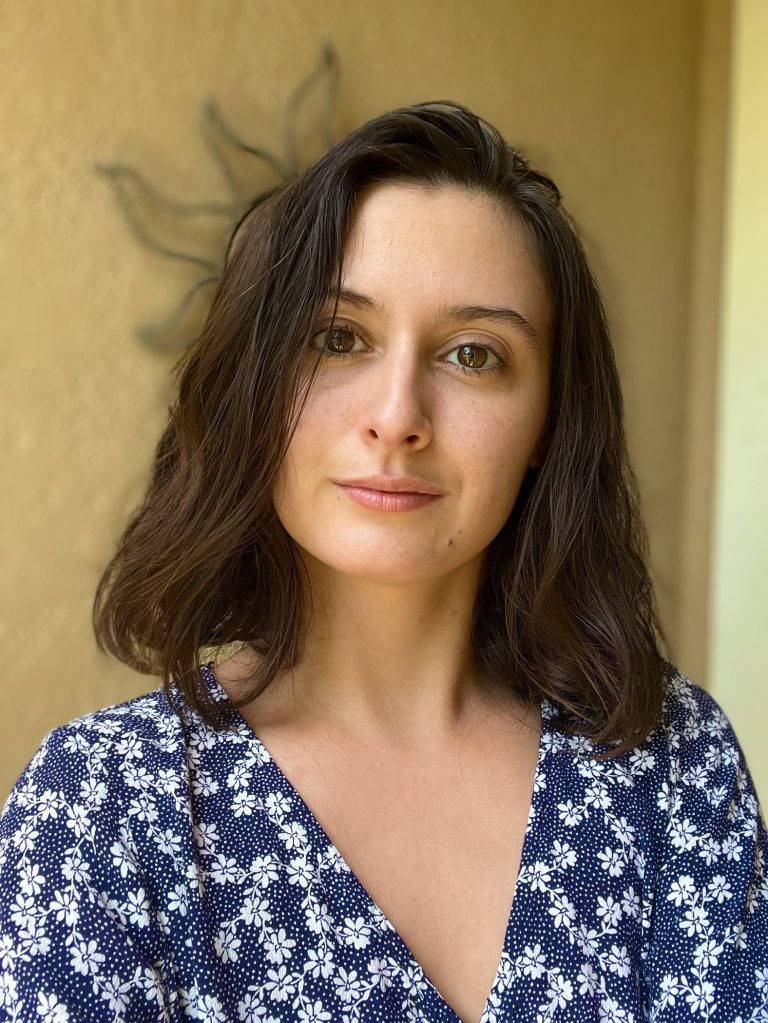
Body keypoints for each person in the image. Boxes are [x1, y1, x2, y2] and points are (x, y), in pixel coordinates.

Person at [0, 102, 766, 1023]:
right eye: (337, 338)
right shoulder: (101, 810)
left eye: (475, 355)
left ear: (548, 425)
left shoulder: (669, 763)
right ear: (256, 388)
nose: (398, 414)